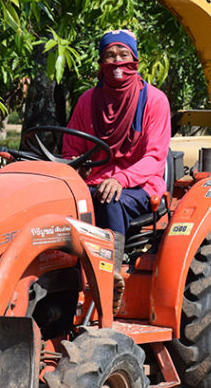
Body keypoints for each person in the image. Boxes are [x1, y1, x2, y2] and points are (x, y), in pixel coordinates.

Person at [62, 29, 172, 240]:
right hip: (93, 182)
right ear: (101, 62)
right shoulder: (87, 101)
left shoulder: (155, 100)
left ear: (135, 59)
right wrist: (76, 166)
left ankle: (111, 266)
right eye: (110, 56)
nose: (117, 62)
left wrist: (120, 179)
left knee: (110, 198)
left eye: (123, 55)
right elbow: (71, 149)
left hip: (141, 185)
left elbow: (154, 158)